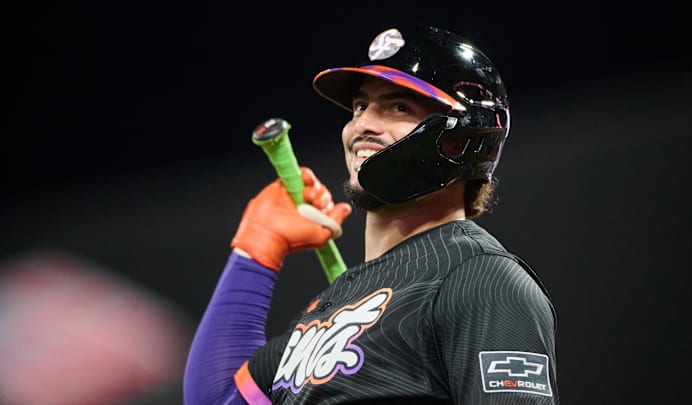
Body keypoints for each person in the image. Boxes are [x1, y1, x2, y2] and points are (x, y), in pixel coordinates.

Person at [183, 23, 560, 404]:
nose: (361, 124)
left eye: (398, 107)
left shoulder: (480, 278)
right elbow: (216, 399)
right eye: (360, 106)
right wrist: (255, 249)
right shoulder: (334, 307)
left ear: (463, 137)